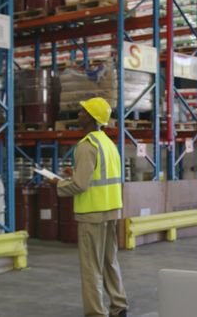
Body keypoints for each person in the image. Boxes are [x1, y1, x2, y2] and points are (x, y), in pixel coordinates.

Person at [49, 97, 128, 317]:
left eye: (83, 112)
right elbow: (96, 177)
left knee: (91, 267)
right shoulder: (107, 144)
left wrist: (57, 183)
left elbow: (80, 185)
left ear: (92, 118)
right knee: (109, 260)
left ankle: (95, 313)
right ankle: (119, 306)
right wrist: (74, 176)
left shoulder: (86, 146)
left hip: (92, 213)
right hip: (111, 210)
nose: (78, 115)